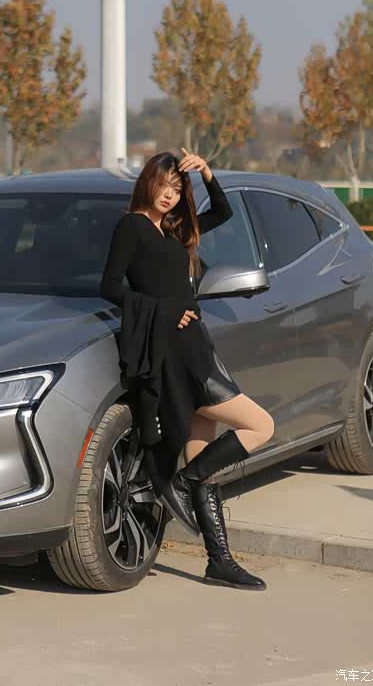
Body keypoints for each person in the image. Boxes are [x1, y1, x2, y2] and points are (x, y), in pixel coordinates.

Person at [99, 148, 275, 590]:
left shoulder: (175, 230)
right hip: (173, 349)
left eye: (177, 189)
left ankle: (219, 561)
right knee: (261, 426)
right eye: (164, 185)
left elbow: (223, 211)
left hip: (196, 344)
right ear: (148, 182)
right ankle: (180, 481)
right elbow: (109, 286)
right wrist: (161, 312)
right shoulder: (131, 226)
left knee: (204, 462)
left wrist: (208, 174)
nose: (169, 195)